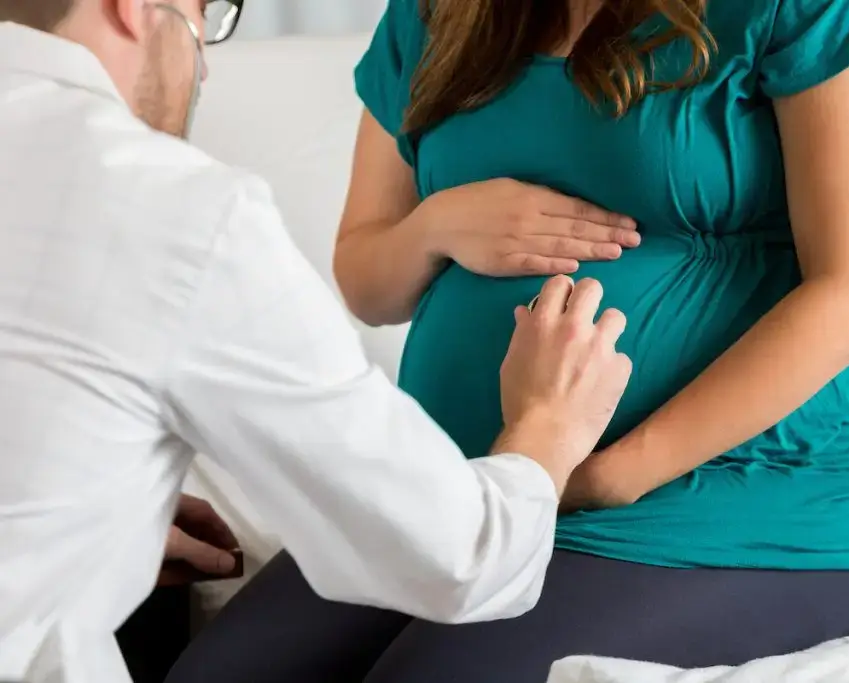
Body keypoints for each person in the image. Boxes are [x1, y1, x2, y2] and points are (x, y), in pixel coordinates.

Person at [170, 0, 849, 681]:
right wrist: (440, 223)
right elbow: (368, 282)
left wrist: (608, 474)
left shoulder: (804, 8)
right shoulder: (437, 14)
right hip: (467, 496)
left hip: (745, 502)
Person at [0, 0, 635, 681]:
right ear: (133, 8)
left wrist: (86, 514)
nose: (205, 64)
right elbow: (458, 558)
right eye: (203, 18)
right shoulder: (182, 209)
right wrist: (545, 430)